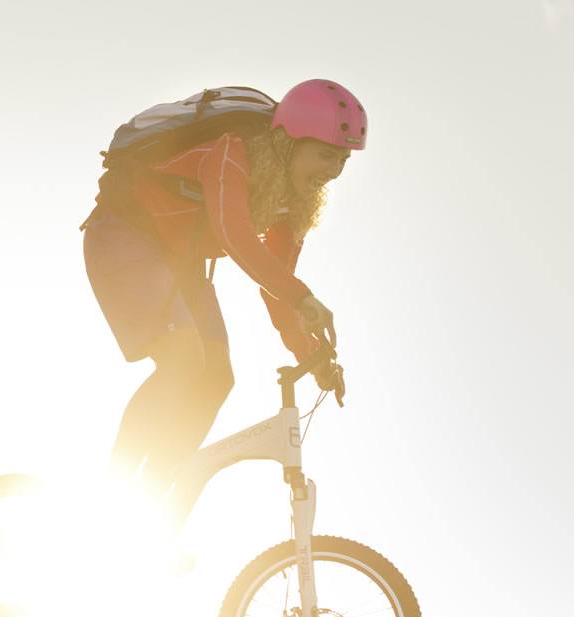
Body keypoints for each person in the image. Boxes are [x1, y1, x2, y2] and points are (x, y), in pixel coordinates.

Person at [83, 80, 365, 497]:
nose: (333, 170)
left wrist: (311, 356)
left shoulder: (292, 204)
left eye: (341, 160)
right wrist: (302, 295)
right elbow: (234, 236)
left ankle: (153, 495)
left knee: (217, 376)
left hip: (180, 263)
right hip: (125, 237)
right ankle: (110, 490)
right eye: (325, 154)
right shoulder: (231, 151)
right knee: (183, 361)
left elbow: (276, 285)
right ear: (287, 141)